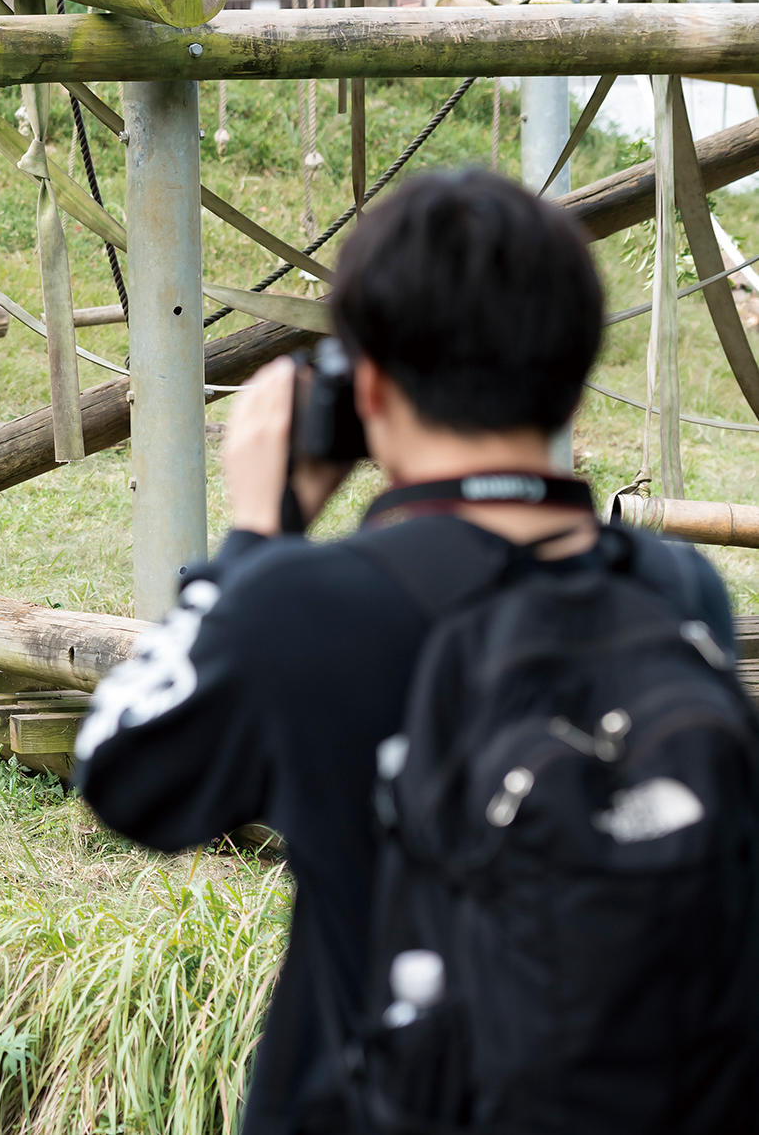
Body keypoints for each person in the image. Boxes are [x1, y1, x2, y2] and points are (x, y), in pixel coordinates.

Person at [74, 169, 748, 1134]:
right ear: (570, 371)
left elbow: (124, 774)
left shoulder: (307, 607)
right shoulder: (677, 592)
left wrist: (256, 542)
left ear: (371, 388)